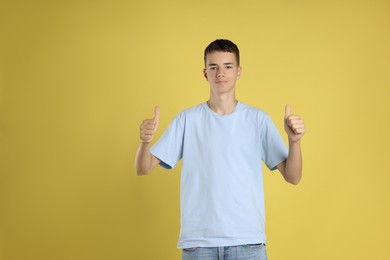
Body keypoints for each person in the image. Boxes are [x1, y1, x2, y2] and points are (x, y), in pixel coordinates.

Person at [135, 39, 305, 260]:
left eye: (228, 66)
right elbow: (143, 168)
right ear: (205, 73)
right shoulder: (187, 119)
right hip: (199, 245)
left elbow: (293, 177)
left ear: (238, 72)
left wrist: (294, 142)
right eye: (213, 67)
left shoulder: (257, 120)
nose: (220, 73)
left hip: (247, 243)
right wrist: (145, 142)